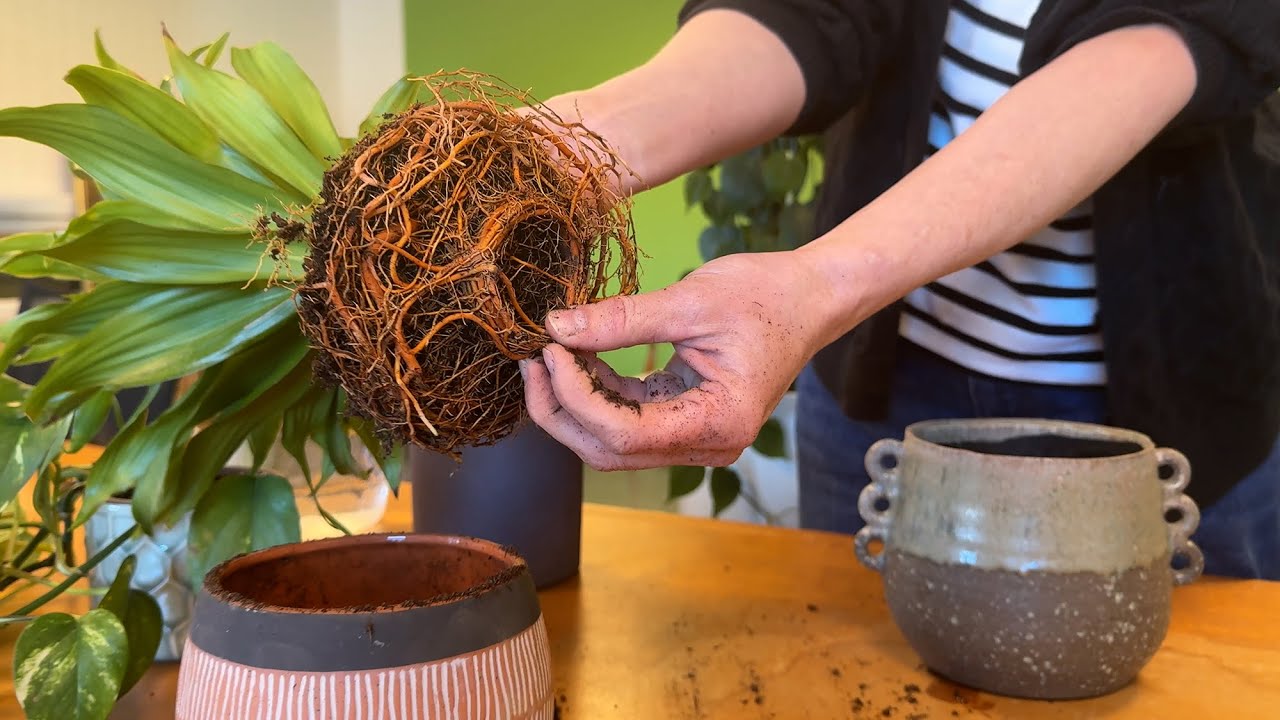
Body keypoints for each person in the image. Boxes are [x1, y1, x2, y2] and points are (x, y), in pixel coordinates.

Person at [515, 1, 1280, 580]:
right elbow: (814, 13)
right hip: (879, 400)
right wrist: (568, 143)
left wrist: (815, 287)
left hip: (1168, 419)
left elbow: (1163, 33)